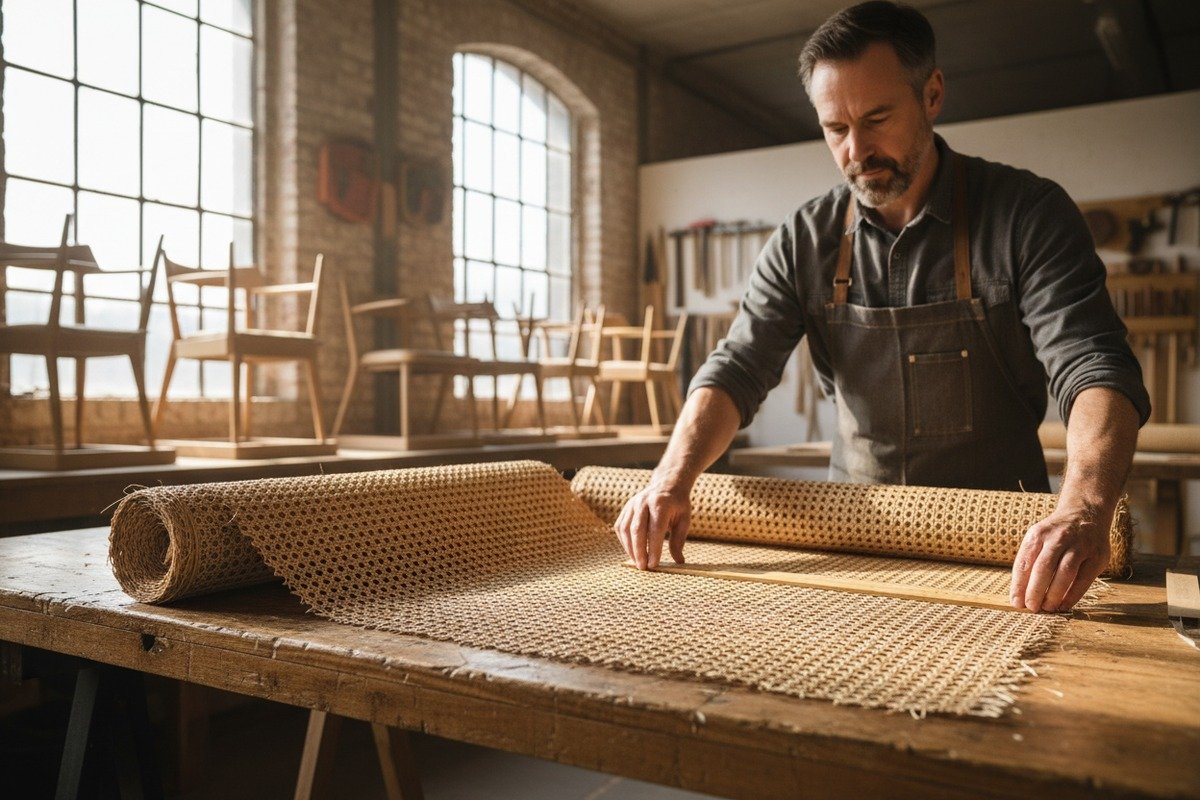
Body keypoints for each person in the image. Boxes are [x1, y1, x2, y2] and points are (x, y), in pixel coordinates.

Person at [614, 0, 1149, 613]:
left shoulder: (1027, 214)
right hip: (856, 537)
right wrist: (671, 478)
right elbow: (738, 366)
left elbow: (1093, 363)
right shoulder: (803, 239)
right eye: (835, 130)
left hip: (1006, 548)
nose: (857, 151)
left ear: (932, 94)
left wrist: (1083, 508)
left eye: (876, 117)